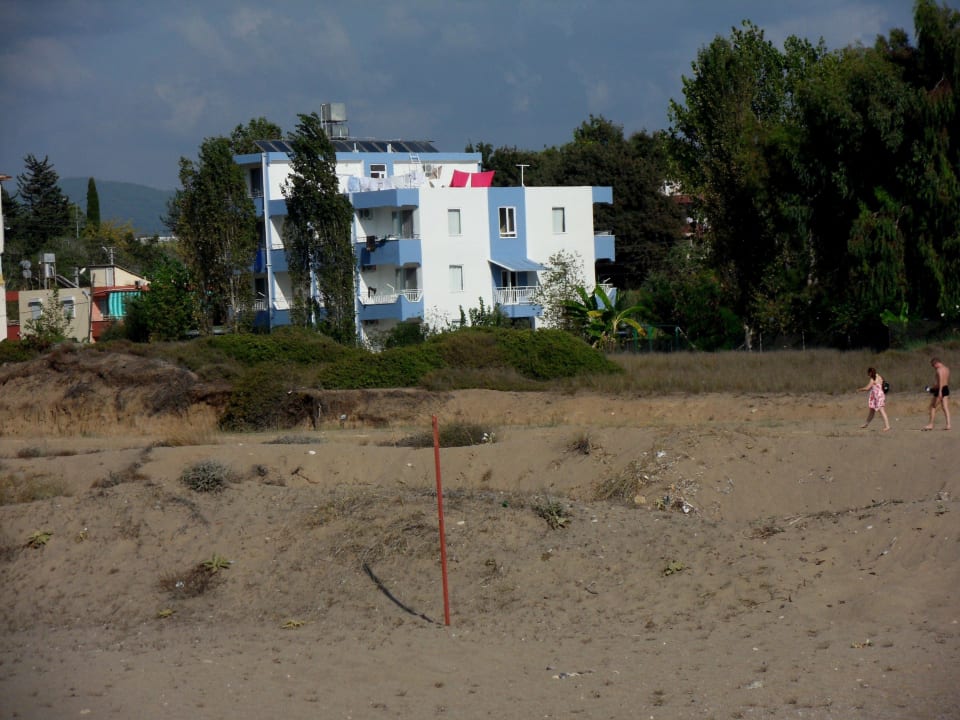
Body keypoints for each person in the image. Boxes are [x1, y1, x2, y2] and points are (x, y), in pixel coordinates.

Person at [858, 367, 891, 431]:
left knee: (882, 411)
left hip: (878, 397)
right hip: (877, 396)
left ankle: (887, 426)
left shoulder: (873, 379)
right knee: (872, 411)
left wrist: (860, 389)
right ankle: (866, 424)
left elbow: (867, 388)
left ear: (870, 373)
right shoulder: (879, 376)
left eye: (868, 373)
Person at [924, 357, 951, 431]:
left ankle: (931, 424)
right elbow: (944, 381)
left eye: (933, 366)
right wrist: (932, 389)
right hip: (946, 388)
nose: (933, 367)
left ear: (936, 363)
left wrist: (939, 391)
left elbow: (941, 381)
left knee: (933, 407)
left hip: (940, 389)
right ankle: (948, 425)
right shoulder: (947, 369)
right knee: (945, 407)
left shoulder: (939, 370)